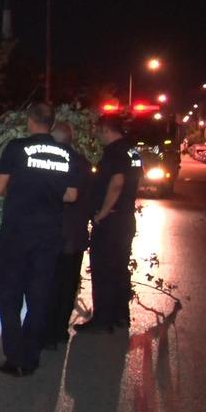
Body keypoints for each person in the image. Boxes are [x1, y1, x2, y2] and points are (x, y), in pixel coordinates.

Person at [0, 103, 78, 377]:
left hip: (17, 233)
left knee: (9, 293)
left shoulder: (16, 148)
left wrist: (22, 194)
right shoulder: (67, 154)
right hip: (49, 235)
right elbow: (72, 195)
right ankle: (29, 357)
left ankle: (13, 354)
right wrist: (48, 196)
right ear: (52, 125)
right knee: (39, 296)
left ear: (30, 121)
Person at [75, 114, 142, 334]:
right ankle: (120, 314)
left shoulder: (114, 152)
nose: (97, 136)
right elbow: (136, 179)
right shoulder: (133, 151)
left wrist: (101, 214)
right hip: (125, 219)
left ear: (106, 130)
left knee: (103, 269)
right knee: (119, 268)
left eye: (99, 131)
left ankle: (103, 319)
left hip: (111, 221)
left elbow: (117, 182)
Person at [43, 122, 92, 350]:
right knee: (68, 283)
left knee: (50, 283)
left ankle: (48, 332)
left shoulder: (51, 160)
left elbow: (66, 195)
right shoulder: (83, 163)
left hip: (54, 233)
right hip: (76, 234)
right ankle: (60, 331)